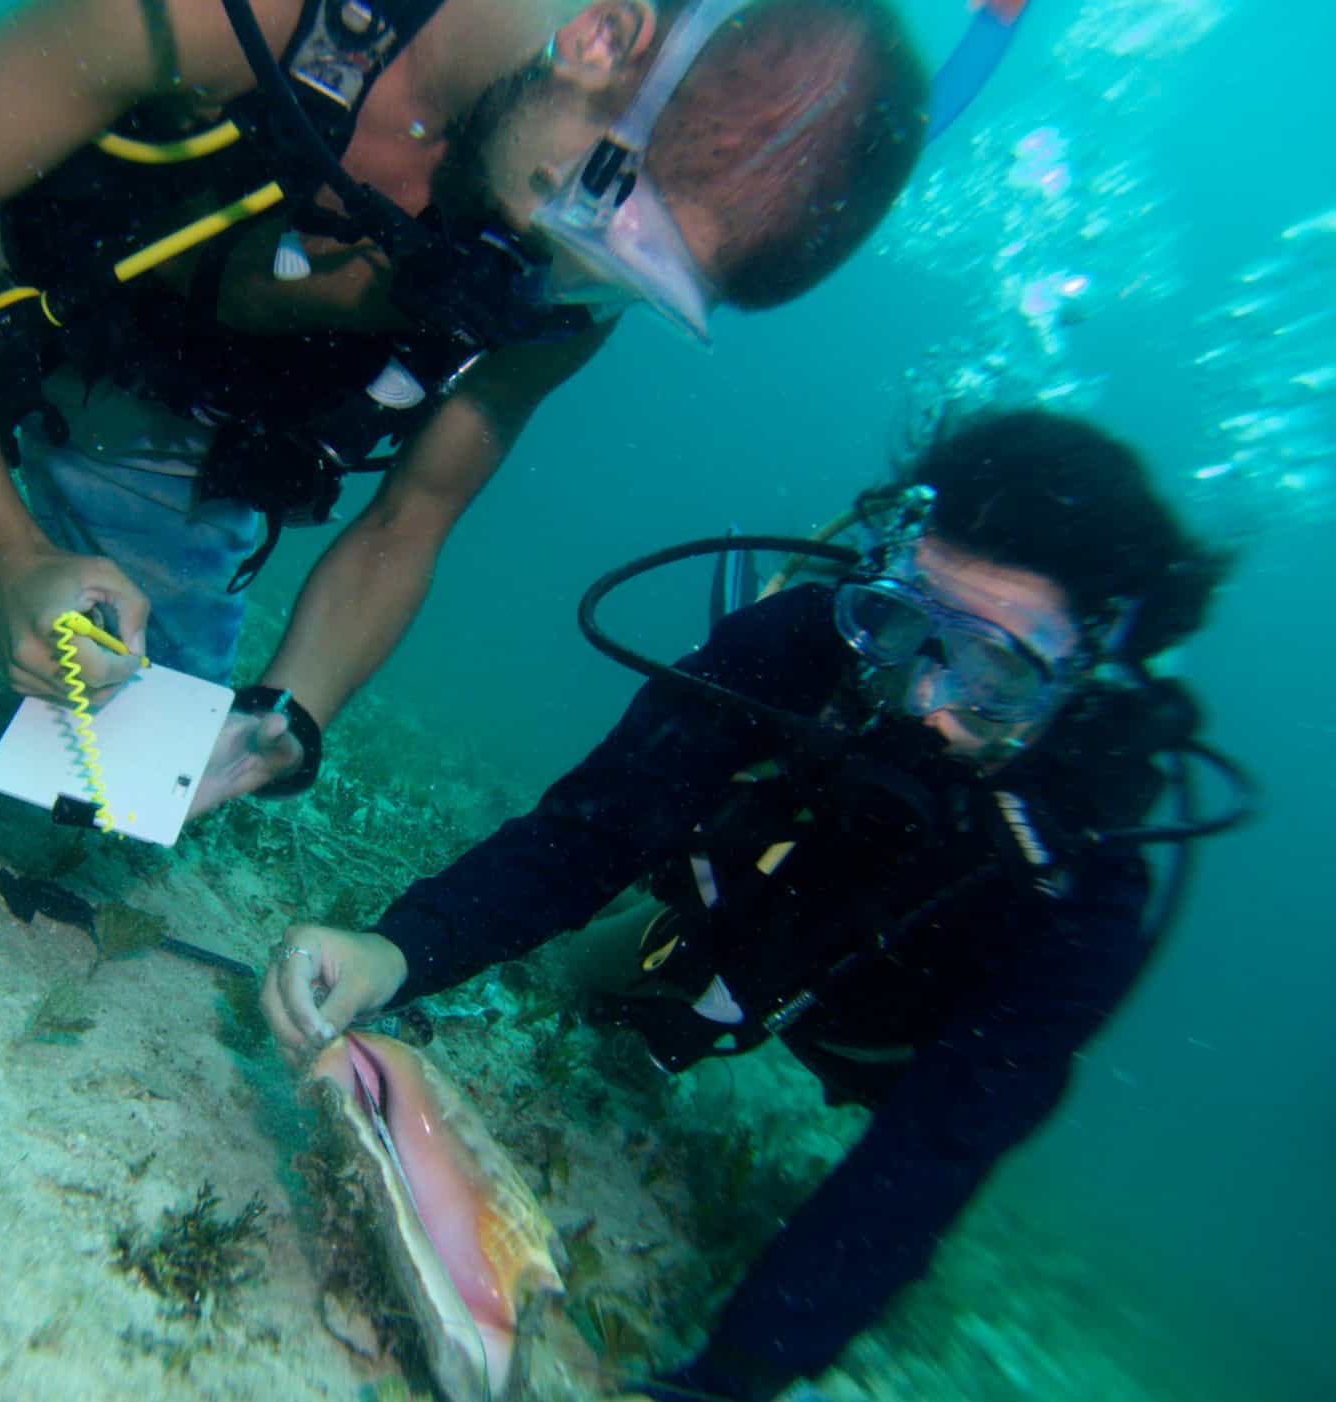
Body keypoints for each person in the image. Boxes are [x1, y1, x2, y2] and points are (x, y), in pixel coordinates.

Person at [0, 0, 936, 813]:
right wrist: (5, 555)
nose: (586, 274)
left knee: (99, 827)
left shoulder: (568, 290)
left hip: (183, 457)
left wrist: (288, 716)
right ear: (599, 39)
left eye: (652, 282)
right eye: (607, 214)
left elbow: (409, 522)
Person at [260, 409, 1243, 1399]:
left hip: (882, 1042)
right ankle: (648, 969)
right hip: (722, 927)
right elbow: (590, 830)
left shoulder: (1089, 879)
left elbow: (937, 1146)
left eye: (996, 673)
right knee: (588, 983)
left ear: (1083, 674)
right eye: (907, 625)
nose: (924, 699)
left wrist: (731, 1377)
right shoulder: (796, 646)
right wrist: (395, 948)